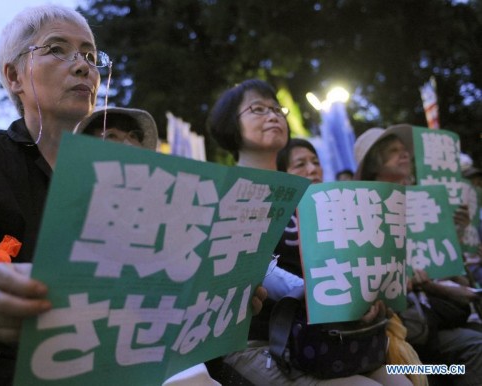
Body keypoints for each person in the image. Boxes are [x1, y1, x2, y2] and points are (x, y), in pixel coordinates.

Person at [0, 6, 266, 385]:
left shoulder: (138, 186)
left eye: (91, 56)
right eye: (57, 49)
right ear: (14, 76)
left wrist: (217, 301)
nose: (83, 67)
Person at [207, 79, 411, 386]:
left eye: (277, 108)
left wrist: (364, 296)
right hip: (257, 342)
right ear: (228, 123)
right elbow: (263, 271)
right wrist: (336, 294)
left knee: (402, 381)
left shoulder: (310, 199)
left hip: (325, 338)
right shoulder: (222, 192)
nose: (273, 115)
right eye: (258, 109)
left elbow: (343, 265)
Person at [354, 124, 482, 386]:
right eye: (392, 151)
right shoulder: (362, 212)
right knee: (472, 350)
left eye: (404, 151)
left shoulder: (426, 202)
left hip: (435, 321)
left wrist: (455, 232)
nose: (403, 156)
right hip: (400, 340)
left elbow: (452, 273)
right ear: (374, 165)